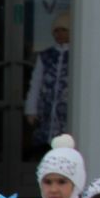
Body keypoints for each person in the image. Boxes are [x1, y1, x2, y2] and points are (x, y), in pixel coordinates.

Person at [24, 11, 72, 149]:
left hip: (67, 111)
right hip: (47, 110)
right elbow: (36, 82)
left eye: (64, 30)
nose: (59, 34)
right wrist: (31, 109)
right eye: (56, 31)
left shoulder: (76, 54)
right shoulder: (46, 55)